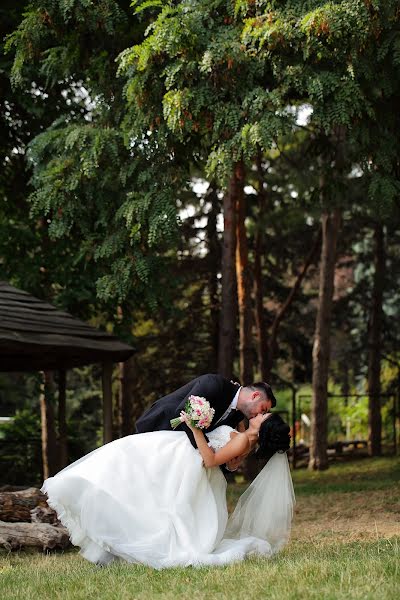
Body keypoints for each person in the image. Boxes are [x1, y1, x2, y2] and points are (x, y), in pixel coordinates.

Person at [41, 397, 295, 569]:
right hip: (179, 454)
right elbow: (230, 464)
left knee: (129, 465)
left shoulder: (242, 440)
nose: (261, 413)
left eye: (265, 416)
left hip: (187, 462)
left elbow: (210, 460)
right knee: (130, 466)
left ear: (264, 427)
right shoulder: (244, 439)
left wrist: (195, 428)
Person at [136, 373, 277, 447]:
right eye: (263, 409)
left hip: (182, 451)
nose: (260, 415)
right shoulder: (214, 384)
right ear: (255, 396)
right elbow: (184, 413)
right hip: (159, 427)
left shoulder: (237, 416)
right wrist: (205, 448)